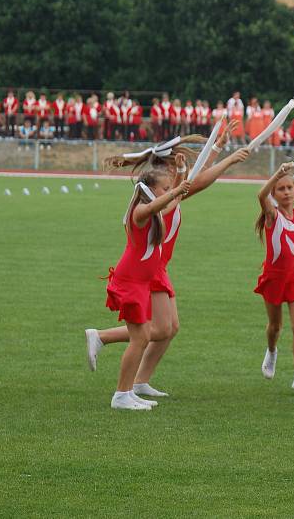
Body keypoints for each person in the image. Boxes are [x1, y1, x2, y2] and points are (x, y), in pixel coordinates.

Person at [86, 129, 249, 398]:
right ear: (168, 169)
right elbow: (199, 180)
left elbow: (195, 175)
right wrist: (228, 160)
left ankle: (138, 381)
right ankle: (104, 340)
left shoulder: (168, 191)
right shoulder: (162, 197)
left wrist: (218, 148)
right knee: (158, 330)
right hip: (147, 270)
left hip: (157, 268)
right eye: (179, 163)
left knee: (169, 328)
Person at [102, 168, 191, 410]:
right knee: (139, 338)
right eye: (163, 188)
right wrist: (175, 190)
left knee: (140, 338)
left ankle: (127, 392)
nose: (167, 192)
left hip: (141, 282)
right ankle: (121, 395)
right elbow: (158, 205)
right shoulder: (140, 211)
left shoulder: (156, 211)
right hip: (130, 281)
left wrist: (181, 176)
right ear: (150, 190)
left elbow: (173, 200)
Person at [254, 163, 294, 396]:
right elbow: (260, 195)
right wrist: (276, 175)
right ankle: (271, 351)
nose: (287, 192)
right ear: (274, 194)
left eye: (290, 187)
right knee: (275, 326)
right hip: (274, 276)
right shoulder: (272, 214)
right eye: (281, 189)